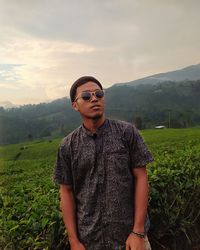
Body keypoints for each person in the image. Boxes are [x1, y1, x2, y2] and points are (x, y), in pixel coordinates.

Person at [54, 76, 153, 250]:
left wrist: (138, 232)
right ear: (75, 105)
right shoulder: (67, 146)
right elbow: (66, 192)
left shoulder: (127, 132)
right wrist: (74, 241)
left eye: (98, 94)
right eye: (86, 96)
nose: (94, 98)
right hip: (90, 241)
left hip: (130, 239)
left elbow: (141, 178)